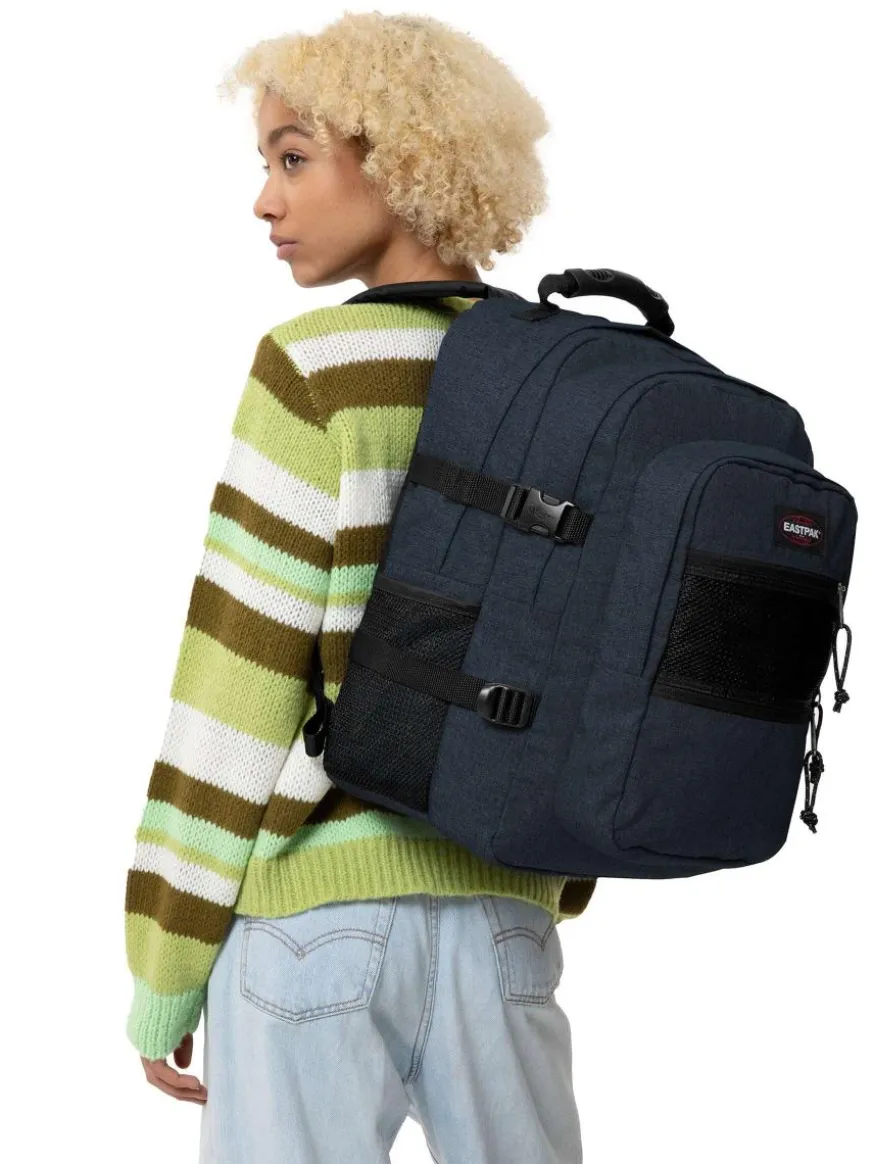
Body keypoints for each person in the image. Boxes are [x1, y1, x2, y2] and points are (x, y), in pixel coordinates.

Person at [123, 12, 596, 1162]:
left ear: (399, 158)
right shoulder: (569, 378)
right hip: (504, 914)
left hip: (308, 923)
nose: (265, 201)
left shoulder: (315, 371)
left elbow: (236, 683)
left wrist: (164, 963)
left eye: (293, 157)